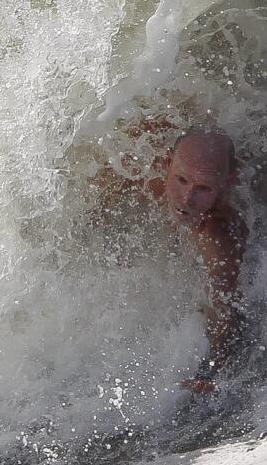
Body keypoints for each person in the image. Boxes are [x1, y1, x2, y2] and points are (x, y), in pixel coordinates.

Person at [93, 121, 248, 394]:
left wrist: (210, 370)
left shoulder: (215, 235)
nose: (187, 199)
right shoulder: (144, 176)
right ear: (167, 164)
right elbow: (93, 198)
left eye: (204, 189)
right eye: (181, 180)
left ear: (226, 184)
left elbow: (224, 309)